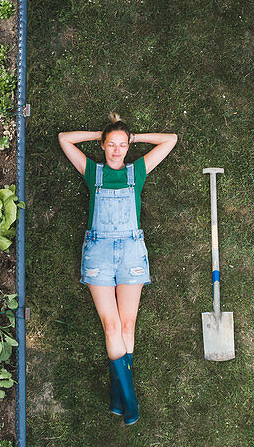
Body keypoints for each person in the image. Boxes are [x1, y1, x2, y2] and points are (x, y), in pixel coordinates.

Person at [58, 114, 177, 425]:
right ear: (102, 145)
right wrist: (102, 132)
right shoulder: (92, 171)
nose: (116, 150)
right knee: (111, 328)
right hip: (98, 253)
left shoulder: (136, 171)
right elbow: (64, 139)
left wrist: (132, 138)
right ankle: (130, 398)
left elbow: (170, 140)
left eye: (122, 145)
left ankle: (117, 394)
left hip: (131, 252)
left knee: (127, 329)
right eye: (111, 145)